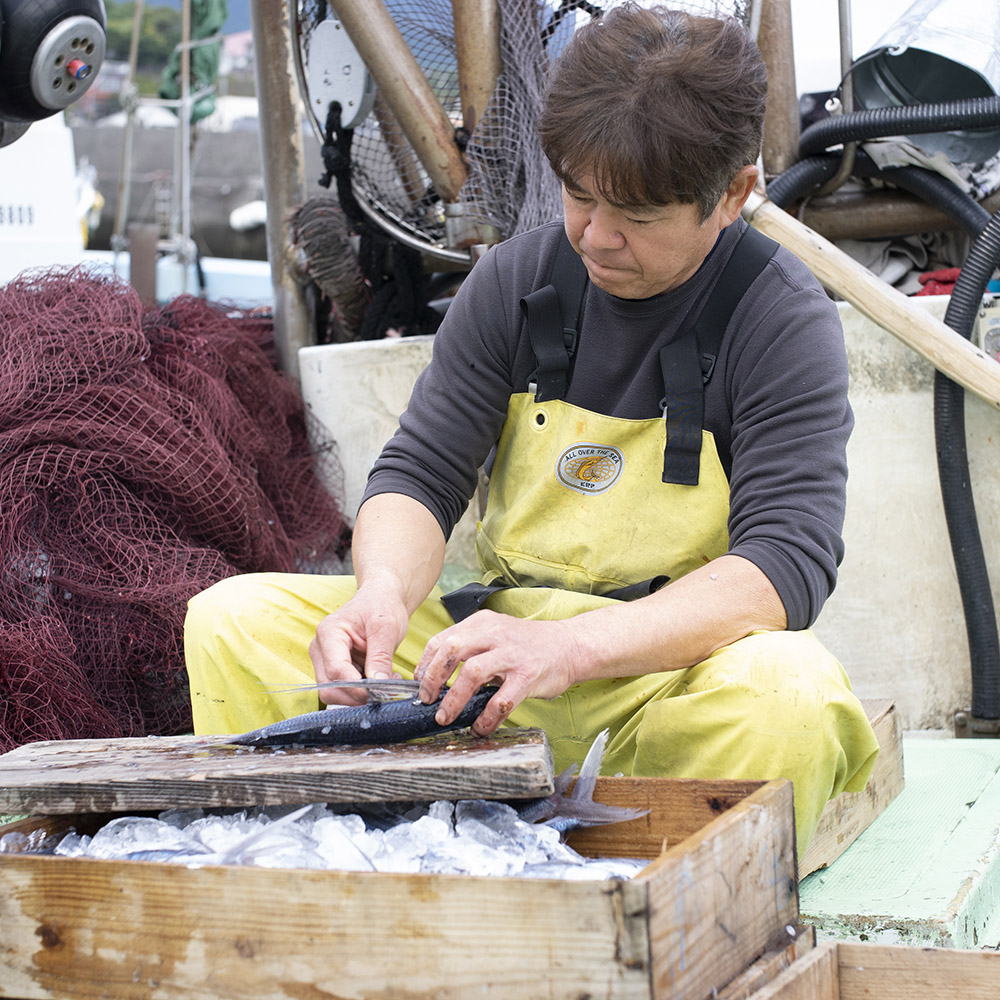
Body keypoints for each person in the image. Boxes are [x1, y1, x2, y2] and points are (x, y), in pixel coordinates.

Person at [184, 3, 878, 853]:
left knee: (790, 694)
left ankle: (670, 892)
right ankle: (329, 861)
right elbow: (420, 475)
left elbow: (783, 568)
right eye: (578, 195)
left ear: (732, 194)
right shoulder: (517, 278)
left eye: (639, 215)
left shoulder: (781, 315)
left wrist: (572, 648)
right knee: (230, 620)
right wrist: (383, 594)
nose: (595, 234)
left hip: (661, 678)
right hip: (486, 665)